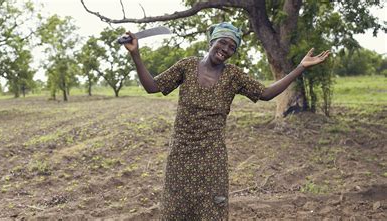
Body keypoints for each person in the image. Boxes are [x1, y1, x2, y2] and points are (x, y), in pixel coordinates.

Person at [123, 22, 330, 220]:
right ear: (211, 42)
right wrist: (136, 55)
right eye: (222, 42)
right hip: (180, 155)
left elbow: (265, 94)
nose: (226, 49)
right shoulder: (187, 66)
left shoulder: (233, 76)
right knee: (176, 208)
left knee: (212, 208)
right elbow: (152, 86)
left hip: (212, 158)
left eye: (232, 47)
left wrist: (300, 67)